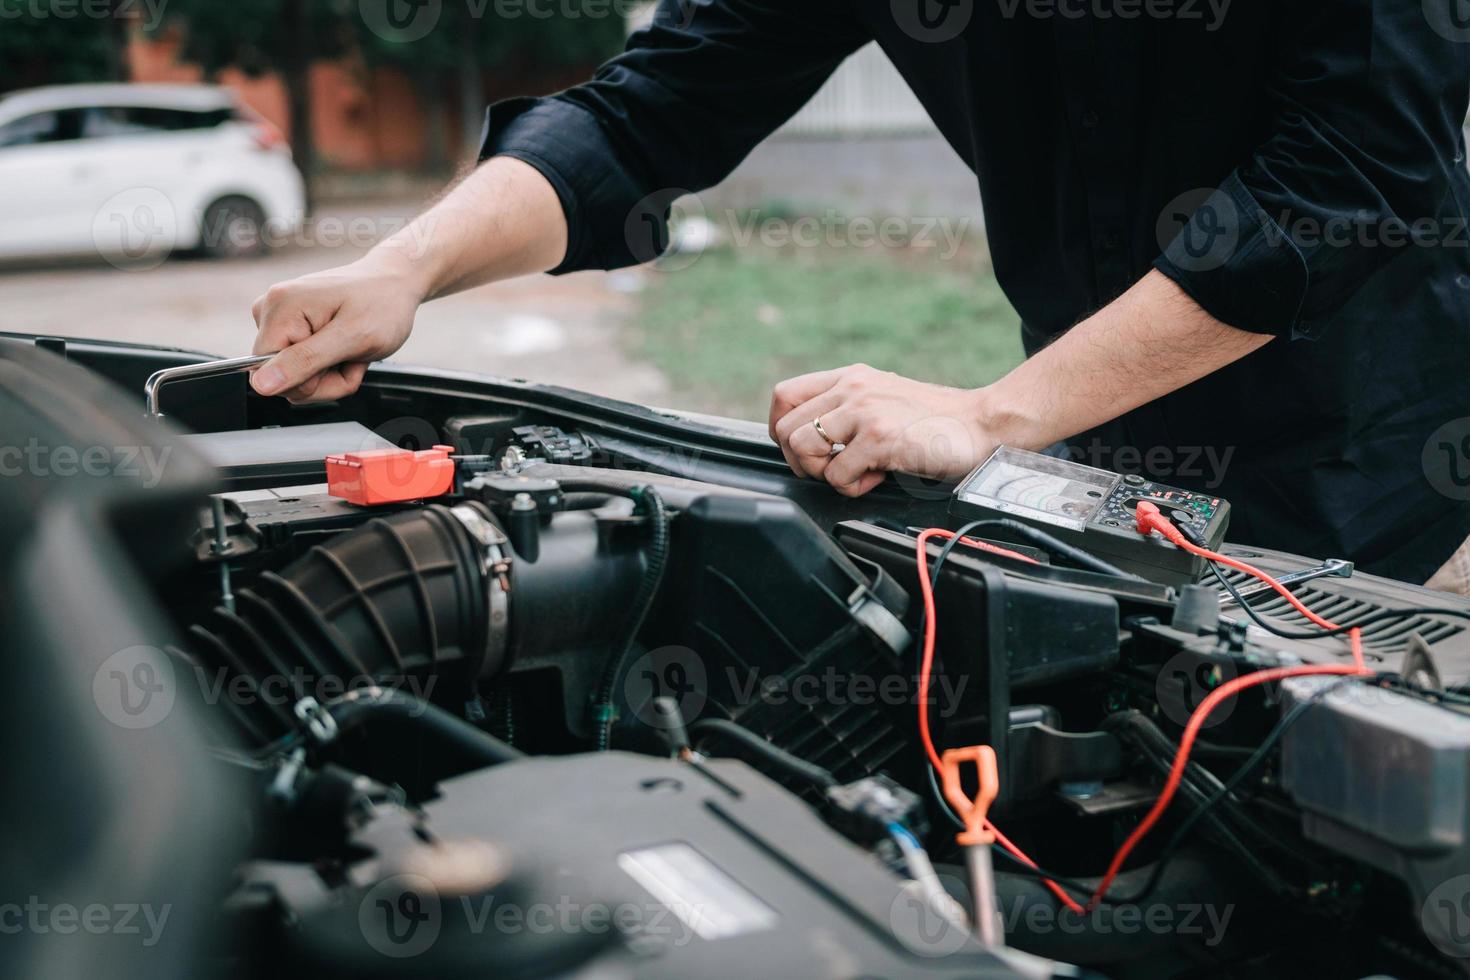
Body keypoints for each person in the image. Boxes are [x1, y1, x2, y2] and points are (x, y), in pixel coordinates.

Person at [251, 1, 1470, 587]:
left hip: (1368, 438)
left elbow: (1346, 178)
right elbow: (651, 111)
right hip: (1087, 422)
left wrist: (990, 415)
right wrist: (400, 266)